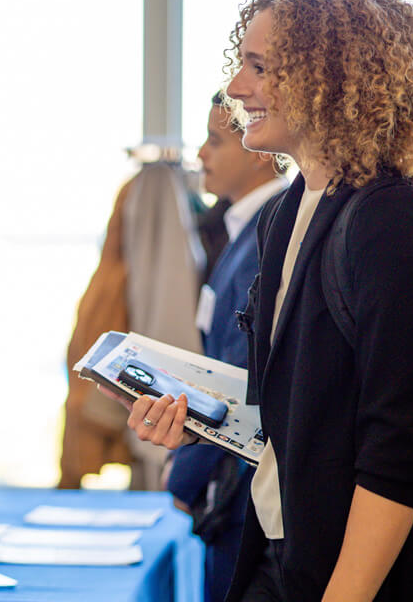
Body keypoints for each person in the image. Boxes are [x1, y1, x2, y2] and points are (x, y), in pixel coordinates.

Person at [126, 0, 413, 601]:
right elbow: (294, 410)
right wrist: (198, 419)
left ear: (334, 82)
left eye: (259, 67)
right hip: (280, 552)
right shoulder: (286, 212)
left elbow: (404, 445)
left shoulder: (394, 219)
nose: (237, 88)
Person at [163, 92, 286, 602]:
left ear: (258, 150)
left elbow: (236, 379)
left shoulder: (267, 231)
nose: (201, 156)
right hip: (232, 483)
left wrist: (181, 480)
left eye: (215, 141)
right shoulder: (241, 229)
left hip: (242, 491)